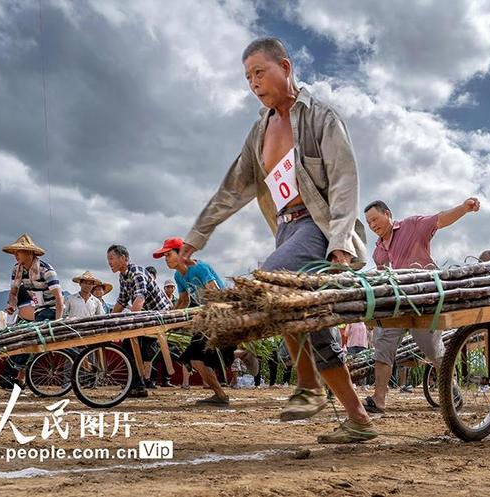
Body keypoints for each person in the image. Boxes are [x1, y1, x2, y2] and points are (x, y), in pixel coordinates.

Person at [179, 37, 376, 443]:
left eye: (259, 72)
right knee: (307, 319)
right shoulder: (259, 132)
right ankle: (358, 418)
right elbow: (232, 190)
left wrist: (339, 241)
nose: (253, 83)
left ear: (285, 67)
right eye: (247, 77)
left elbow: (344, 181)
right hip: (286, 227)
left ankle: (308, 386)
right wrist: (197, 236)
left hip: (318, 226)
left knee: (271, 283)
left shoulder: (321, 117)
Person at [361, 197, 480, 412]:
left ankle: (450, 387)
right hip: (396, 304)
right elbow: (381, 276)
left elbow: (439, 219)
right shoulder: (378, 251)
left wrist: (464, 208)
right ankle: (379, 400)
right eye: (369, 223)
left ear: (388, 214)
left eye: (375, 219)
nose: (373, 225)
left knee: (432, 351)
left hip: (423, 300)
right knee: (383, 345)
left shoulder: (412, 225)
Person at [153, 237, 234, 405]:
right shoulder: (178, 276)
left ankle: (221, 392)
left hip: (220, 317)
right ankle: (220, 394)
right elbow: (183, 301)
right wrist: (169, 317)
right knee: (195, 358)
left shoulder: (199, 268)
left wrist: (201, 316)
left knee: (197, 356)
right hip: (206, 319)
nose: (166, 259)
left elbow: (215, 295)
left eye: (168, 255)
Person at [0, 234, 64, 390]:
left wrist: (57, 322)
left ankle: (16, 372)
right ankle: (20, 379)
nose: (16, 255)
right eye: (14, 252)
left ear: (29, 253)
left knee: (30, 334)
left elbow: (59, 299)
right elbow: (14, 293)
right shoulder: (17, 270)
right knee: (21, 333)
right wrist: (11, 305)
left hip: (51, 309)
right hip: (38, 310)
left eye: (19, 252)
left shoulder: (46, 270)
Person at [108, 244, 172, 397]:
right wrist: (109, 319)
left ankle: (139, 385)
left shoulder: (136, 273)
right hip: (146, 315)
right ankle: (138, 385)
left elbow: (140, 298)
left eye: (111, 258)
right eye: (108, 259)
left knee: (131, 345)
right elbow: (121, 301)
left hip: (159, 314)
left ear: (123, 258)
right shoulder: (122, 276)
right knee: (128, 346)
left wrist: (130, 321)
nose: (109, 262)